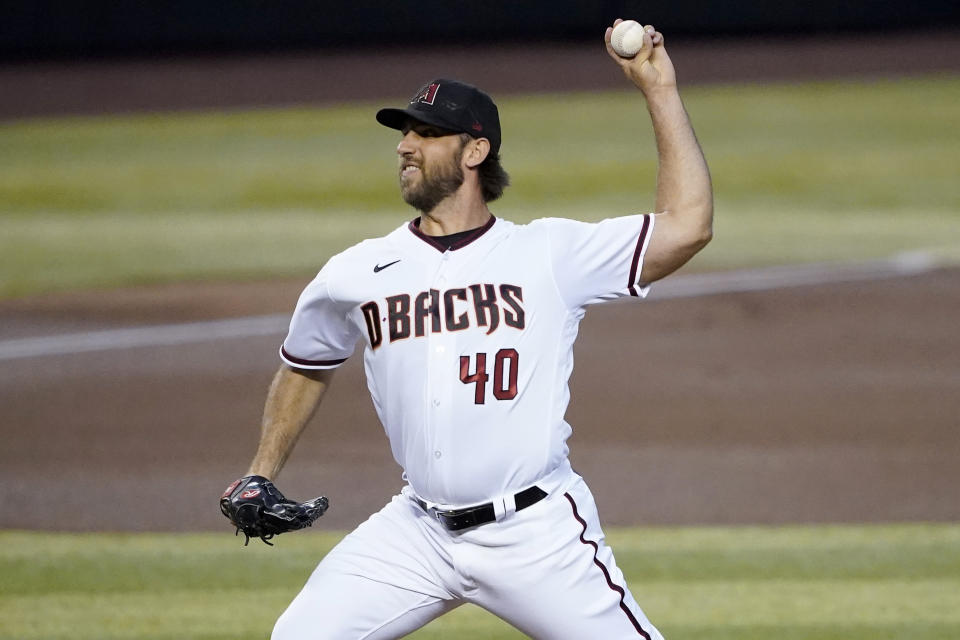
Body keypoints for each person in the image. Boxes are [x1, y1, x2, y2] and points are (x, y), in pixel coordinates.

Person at [228, 20, 712, 639]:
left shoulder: (548, 253)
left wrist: (659, 91)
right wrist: (261, 471)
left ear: (475, 152)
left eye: (427, 134)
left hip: (534, 534)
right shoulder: (354, 273)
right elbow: (307, 363)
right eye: (404, 132)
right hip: (417, 532)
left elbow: (687, 225)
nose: (406, 145)